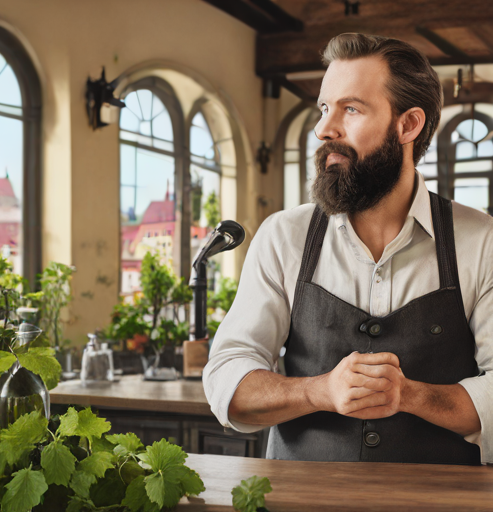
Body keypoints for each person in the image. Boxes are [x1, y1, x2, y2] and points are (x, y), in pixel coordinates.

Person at [203, 33, 493, 465]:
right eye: (324, 108)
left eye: (350, 109)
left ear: (408, 125)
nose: (324, 129)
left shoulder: (481, 240)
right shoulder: (283, 236)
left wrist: (410, 395)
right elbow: (227, 379)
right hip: (300, 500)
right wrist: (319, 390)